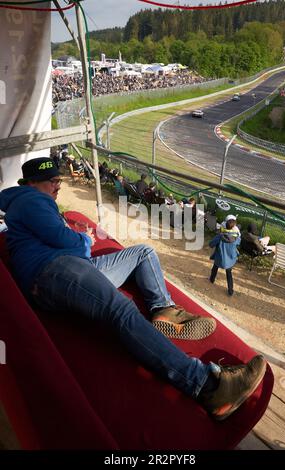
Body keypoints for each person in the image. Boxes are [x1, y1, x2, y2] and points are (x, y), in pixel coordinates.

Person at [0, 157, 267, 421]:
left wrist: (76, 240)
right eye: (52, 181)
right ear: (32, 183)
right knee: (122, 311)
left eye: (58, 179)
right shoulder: (31, 199)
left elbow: (61, 239)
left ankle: (163, 309)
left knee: (143, 253)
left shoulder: (31, 202)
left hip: (68, 267)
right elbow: (65, 242)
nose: (58, 185)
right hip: (53, 271)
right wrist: (84, 238)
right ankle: (208, 386)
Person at [209, 219, 241, 296]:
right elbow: (238, 242)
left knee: (215, 267)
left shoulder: (220, 236)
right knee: (229, 273)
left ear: (225, 226)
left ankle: (212, 279)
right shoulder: (236, 238)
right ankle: (230, 291)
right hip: (230, 259)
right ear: (233, 228)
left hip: (220, 258)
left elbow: (211, 244)